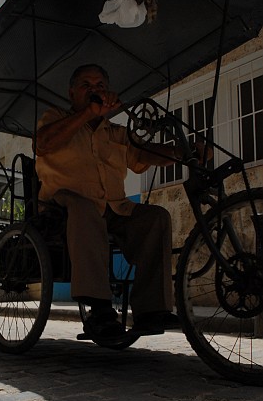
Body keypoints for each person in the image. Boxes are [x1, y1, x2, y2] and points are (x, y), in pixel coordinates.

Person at [35, 64, 183, 345]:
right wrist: (87, 114)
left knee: (156, 217)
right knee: (86, 208)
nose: (95, 90)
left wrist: (182, 153)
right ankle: (100, 309)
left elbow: (144, 155)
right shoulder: (55, 118)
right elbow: (42, 144)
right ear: (72, 92)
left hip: (114, 207)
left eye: (100, 85)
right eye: (86, 85)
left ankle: (152, 310)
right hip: (63, 205)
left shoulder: (115, 132)